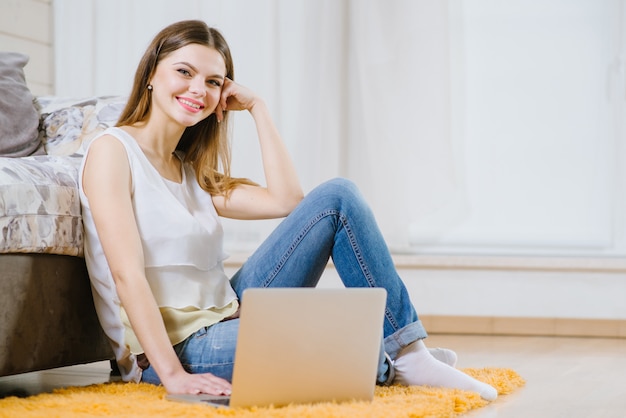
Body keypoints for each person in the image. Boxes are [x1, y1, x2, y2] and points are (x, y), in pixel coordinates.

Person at [79, 19, 497, 401]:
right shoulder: (112, 152)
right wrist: (172, 374)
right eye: (184, 72)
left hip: (229, 314)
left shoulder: (188, 169)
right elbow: (126, 275)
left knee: (338, 195)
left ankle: (406, 353)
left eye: (213, 81)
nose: (198, 90)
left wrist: (259, 109)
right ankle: (387, 361)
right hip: (174, 347)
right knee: (346, 341)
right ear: (152, 73)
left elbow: (288, 201)